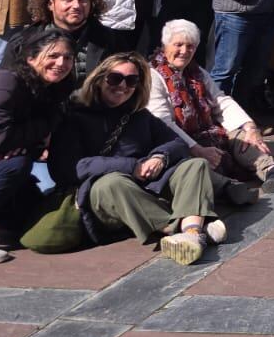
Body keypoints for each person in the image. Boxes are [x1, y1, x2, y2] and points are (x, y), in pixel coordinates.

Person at [47, 52, 218, 265]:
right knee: (113, 182)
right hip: (100, 194)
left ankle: (191, 233)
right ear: (99, 79)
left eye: (131, 80)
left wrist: (159, 157)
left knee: (195, 165)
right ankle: (188, 224)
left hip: (144, 188)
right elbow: (70, 167)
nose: (122, 85)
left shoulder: (139, 115)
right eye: (115, 78)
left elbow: (176, 143)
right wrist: (132, 166)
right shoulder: (74, 116)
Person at [146, 19, 274, 197]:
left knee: (241, 136)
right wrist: (197, 148)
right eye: (178, 45)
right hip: (175, 140)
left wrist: (249, 127)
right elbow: (162, 122)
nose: (184, 51)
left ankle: (272, 171)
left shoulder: (196, 71)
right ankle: (226, 188)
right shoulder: (153, 75)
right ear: (165, 45)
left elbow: (220, 100)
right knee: (191, 161)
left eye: (190, 46)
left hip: (206, 133)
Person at [0, 30, 76, 259]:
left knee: (31, 209)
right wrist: (41, 130)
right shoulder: (7, 80)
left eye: (68, 57)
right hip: (2, 160)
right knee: (16, 165)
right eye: (53, 56)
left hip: (8, 160)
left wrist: (29, 143)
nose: (61, 63)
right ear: (30, 58)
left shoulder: (50, 90)